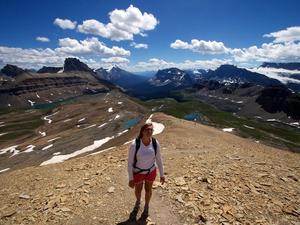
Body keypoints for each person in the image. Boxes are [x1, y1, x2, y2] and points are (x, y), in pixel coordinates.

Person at [127, 121, 165, 220]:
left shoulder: (155, 143)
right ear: (142, 131)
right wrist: (131, 178)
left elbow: (159, 159)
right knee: (138, 190)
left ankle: (146, 206)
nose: (149, 132)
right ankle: (138, 201)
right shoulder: (135, 144)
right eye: (147, 130)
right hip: (138, 172)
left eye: (151, 130)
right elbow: (130, 162)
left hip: (151, 171)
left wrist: (162, 174)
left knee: (148, 190)